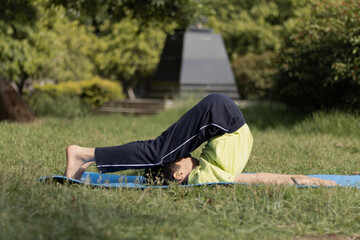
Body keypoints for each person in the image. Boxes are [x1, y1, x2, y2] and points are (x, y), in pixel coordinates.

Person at [64, 93, 338, 186]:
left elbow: (257, 177)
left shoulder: (200, 171)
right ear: (181, 173)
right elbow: (259, 177)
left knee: (159, 154)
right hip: (221, 117)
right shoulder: (207, 176)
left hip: (221, 117)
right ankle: (82, 155)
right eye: (183, 159)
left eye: (181, 158)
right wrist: (307, 180)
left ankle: (83, 155)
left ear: (179, 172)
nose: (187, 155)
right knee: (159, 153)